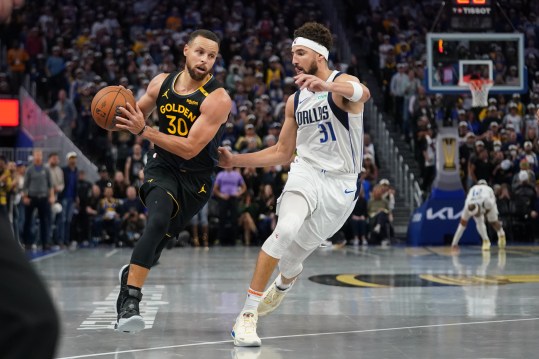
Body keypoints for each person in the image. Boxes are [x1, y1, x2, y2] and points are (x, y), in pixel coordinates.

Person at [218, 22, 370, 347]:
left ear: (319, 55)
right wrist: (236, 161)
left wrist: (327, 87)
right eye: (292, 54)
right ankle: (247, 315)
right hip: (306, 173)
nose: (294, 60)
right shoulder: (294, 101)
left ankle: (286, 281)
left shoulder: (342, 85)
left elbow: (363, 93)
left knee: (291, 260)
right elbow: (282, 152)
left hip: (341, 187)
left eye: (300, 53)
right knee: (284, 230)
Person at [114, 29, 231, 333]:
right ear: (186, 50)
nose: (205, 60)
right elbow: (132, 117)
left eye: (211, 56)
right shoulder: (160, 83)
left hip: (196, 179)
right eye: (200, 52)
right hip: (162, 167)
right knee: (156, 222)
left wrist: (145, 131)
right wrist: (115, 110)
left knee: (160, 242)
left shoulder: (218, 99)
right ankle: (129, 303)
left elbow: (191, 148)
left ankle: (132, 272)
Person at [451, 179, 506, 252]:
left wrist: (485, 212)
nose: (475, 215)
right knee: (478, 223)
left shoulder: (487, 200)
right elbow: (462, 224)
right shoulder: (467, 206)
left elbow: (491, 205)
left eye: (476, 213)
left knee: (492, 221)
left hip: (489, 205)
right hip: (477, 204)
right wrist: (454, 243)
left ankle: (501, 234)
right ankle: (486, 241)